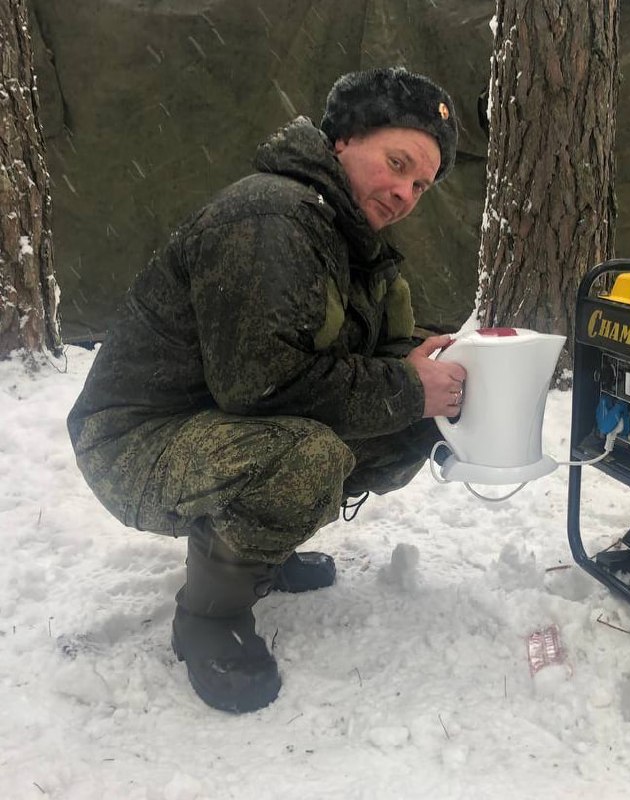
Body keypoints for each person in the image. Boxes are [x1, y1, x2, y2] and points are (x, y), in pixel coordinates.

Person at [67, 66, 466, 714]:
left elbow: (367, 357)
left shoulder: (351, 243)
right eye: (397, 164)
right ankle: (209, 617)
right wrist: (404, 386)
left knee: (399, 423)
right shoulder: (269, 218)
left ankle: (257, 552)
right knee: (304, 458)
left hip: (212, 423)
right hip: (132, 442)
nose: (404, 193)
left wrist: (419, 368)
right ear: (343, 140)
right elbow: (260, 385)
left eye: (420, 184)